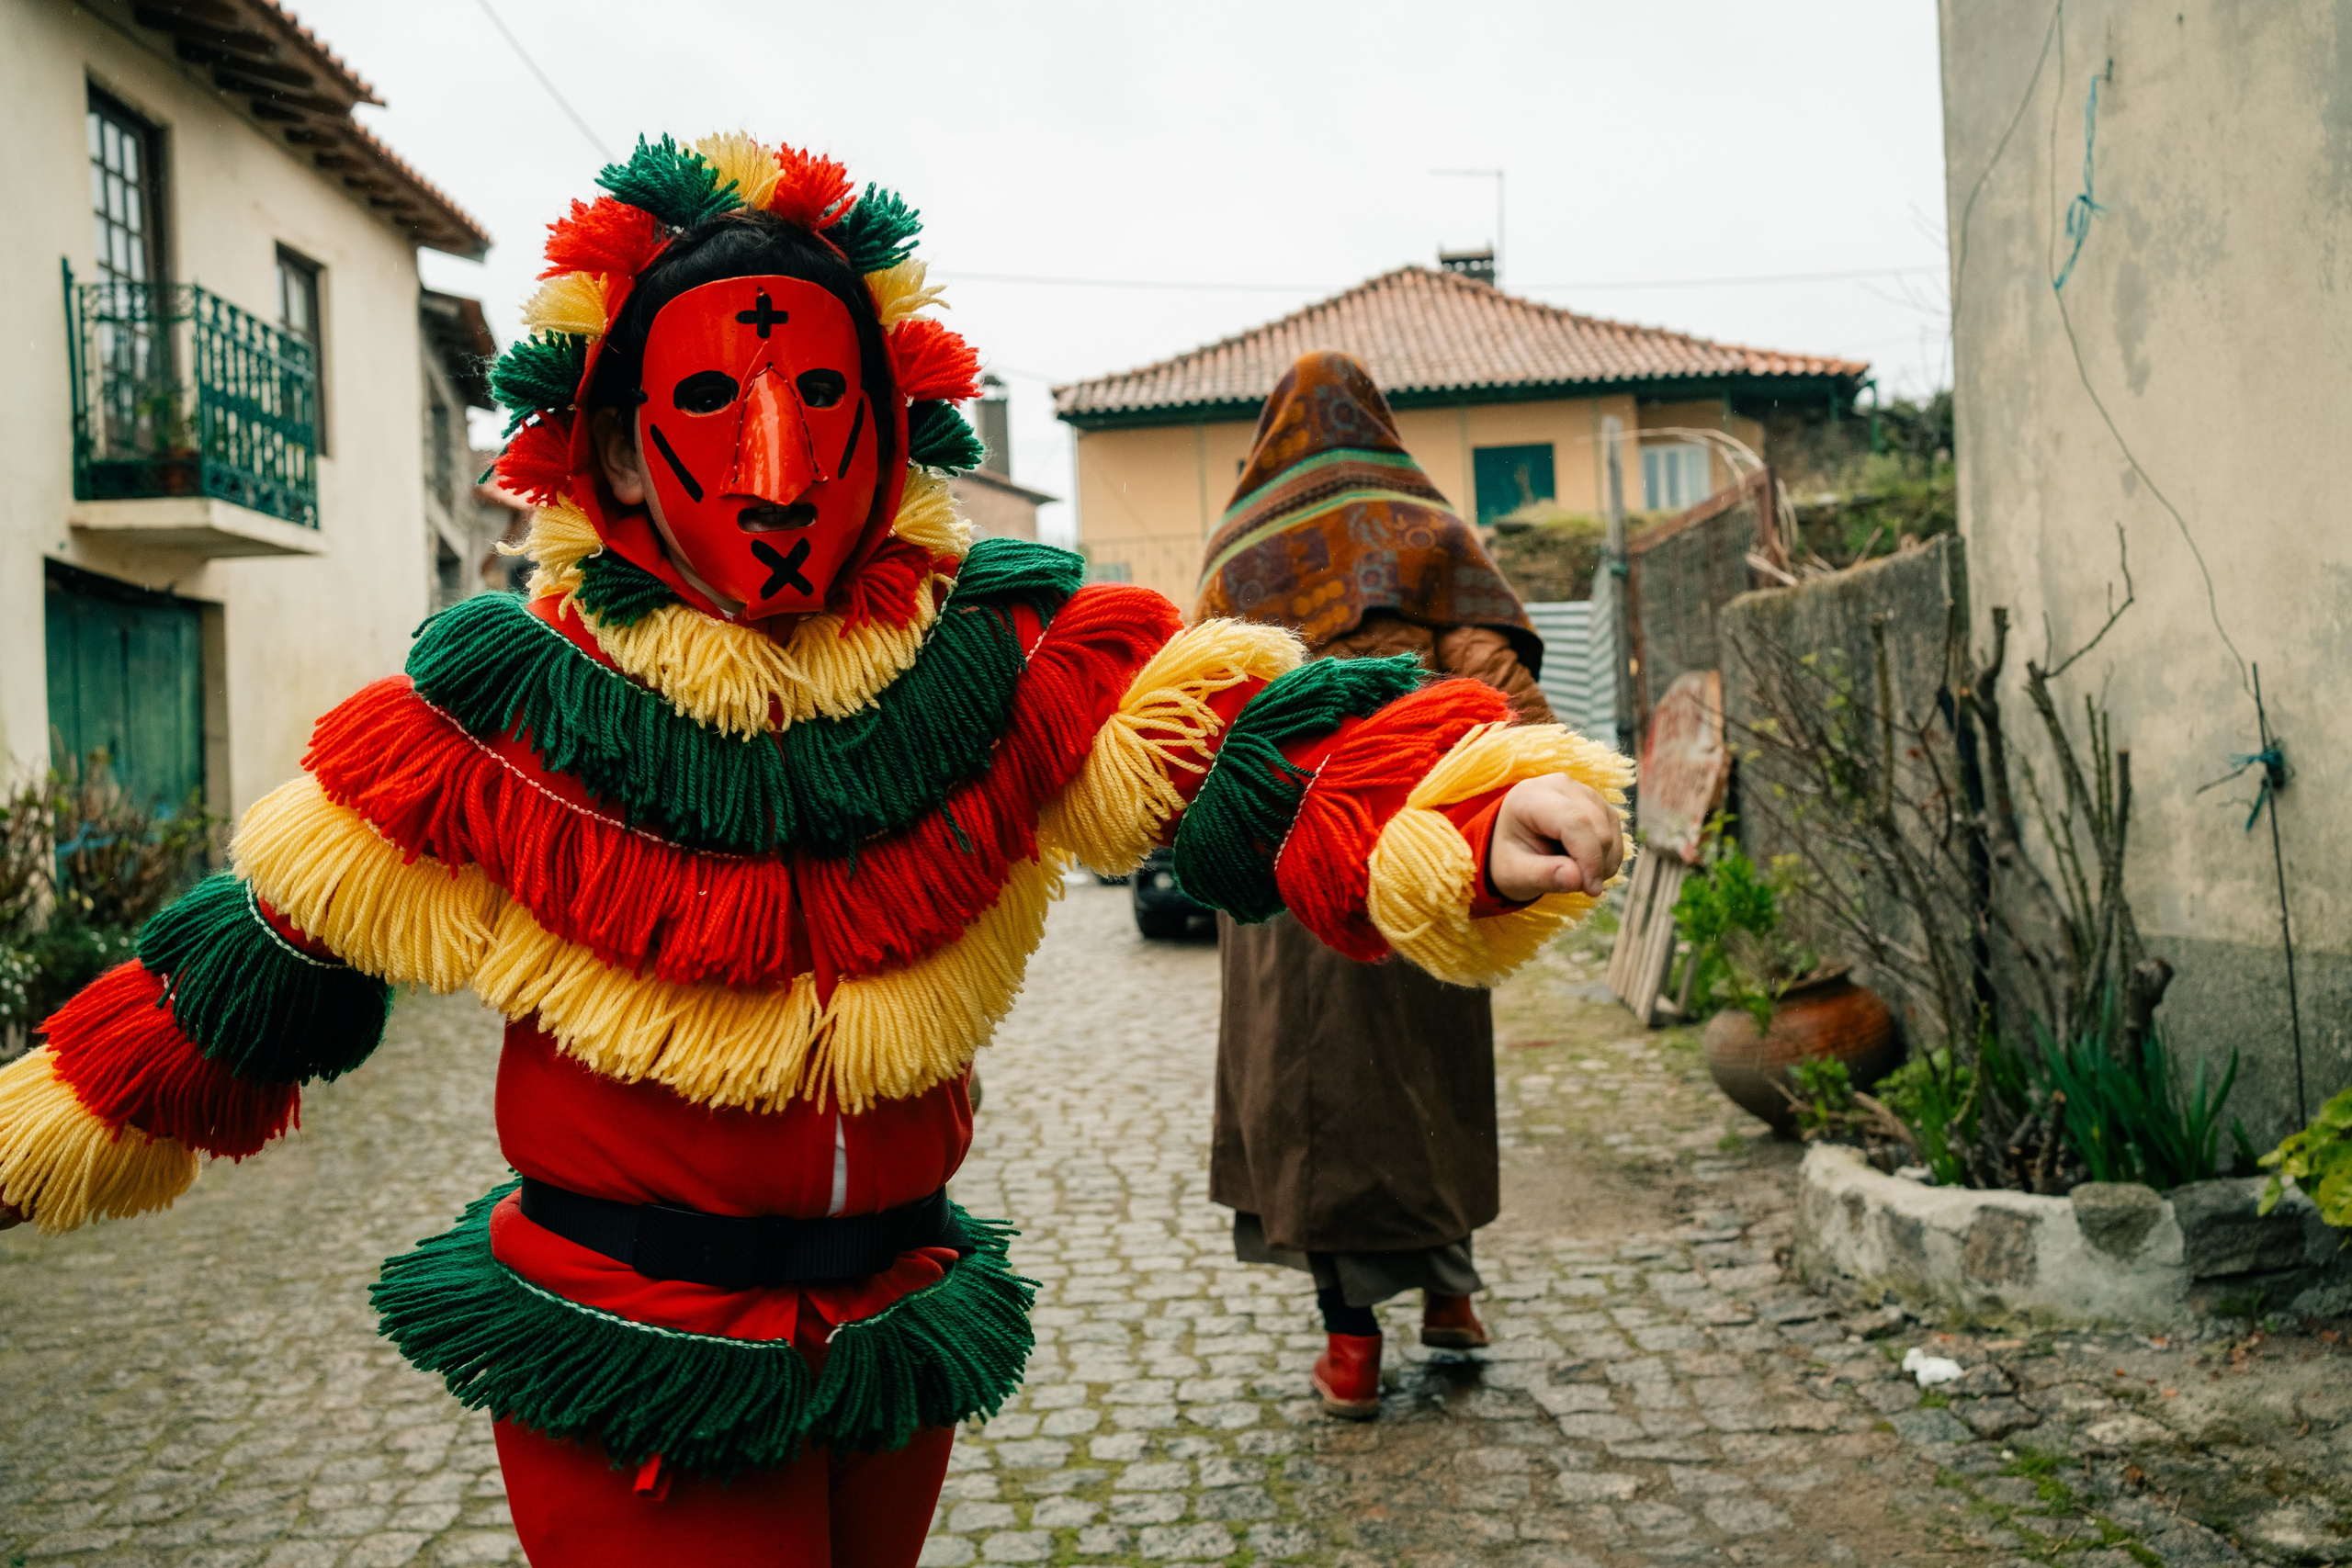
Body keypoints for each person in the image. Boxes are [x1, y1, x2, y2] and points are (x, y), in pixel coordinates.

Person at [0, 138, 1627, 1566]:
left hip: (884, 1334)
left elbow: (1235, 726)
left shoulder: (996, 653)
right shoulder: (504, 706)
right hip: (636, 1347)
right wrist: (41, 1124)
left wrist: (1475, 806)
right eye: (709, 399)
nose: (775, 468)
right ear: (623, 449)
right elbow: (257, 950)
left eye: (819, 398)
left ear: (886, 417)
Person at [1199, 351, 1603, 1419]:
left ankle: (1350, 1350)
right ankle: (1451, 1301)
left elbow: (1201, 728)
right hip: (1429, 864)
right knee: (1429, 1088)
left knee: (1313, 1104)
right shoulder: (1424, 533)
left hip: (1296, 882)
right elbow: (1503, 686)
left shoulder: (1240, 559)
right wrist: (1553, 794)